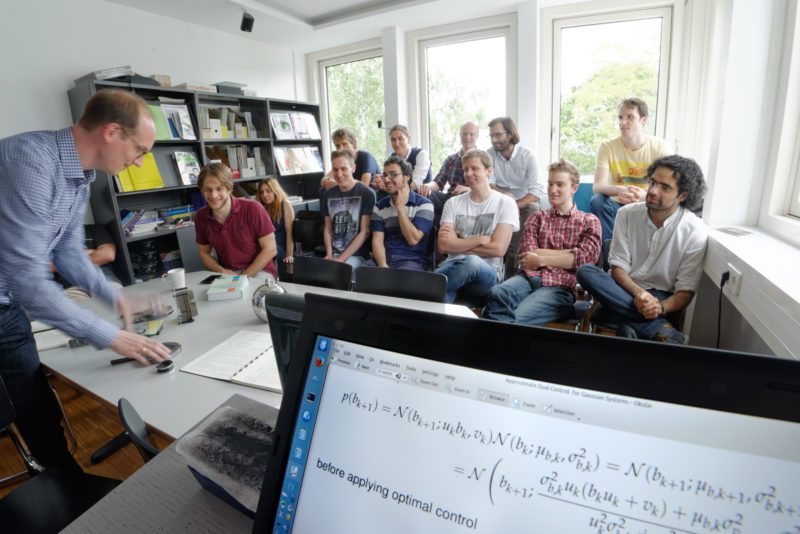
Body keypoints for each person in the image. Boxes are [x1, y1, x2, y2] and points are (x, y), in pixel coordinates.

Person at [0, 88, 171, 473]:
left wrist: (116, 298)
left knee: (38, 412)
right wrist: (110, 335)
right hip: (11, 291)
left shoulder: (80, 175)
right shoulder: (30, 163)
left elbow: (68, 253)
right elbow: (27, 277)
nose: (141, 162)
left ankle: (67, 490)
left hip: (6, 307)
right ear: (112, 132)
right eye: (141, 150)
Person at [577, 155, 708, 344]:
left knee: (628, 328)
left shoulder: (694, 230)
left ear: (682, 195)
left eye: (664, 187)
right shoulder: (626, 214)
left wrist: (659, 308)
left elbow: (685, 292)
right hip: (623, 288)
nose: (652, 191)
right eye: (652, 183)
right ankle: (663, 330)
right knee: (586, 272)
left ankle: (653, 329)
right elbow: (618, 269)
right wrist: (640, 294)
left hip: (662, 296)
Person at [482, 159, 601, 325]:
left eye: (560, 185)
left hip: (559, 288)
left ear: (574, 188)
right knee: (496, 294)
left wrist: (541, 258)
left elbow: (585, 260)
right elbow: (527, 254)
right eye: (550, 184)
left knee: (514, 318)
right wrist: (569, 255)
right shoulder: (537, 217)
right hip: (528, 279)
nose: (553, 190)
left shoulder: (589, 221)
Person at [435, 149, 518, 304]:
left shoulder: (505, 203)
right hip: (453, 268)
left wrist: (457, 245)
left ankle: (426, 285)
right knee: (441, 299)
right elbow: (443, 246)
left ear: (489, 171)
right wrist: (482, 239)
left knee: (472, 261)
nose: (468, 173)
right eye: (466, 169)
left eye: (475, 168)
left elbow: (498, 249)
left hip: (487, 275)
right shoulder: (453, 203)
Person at [591, 98, 673, 243]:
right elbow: (598, 187)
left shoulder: (660, 147)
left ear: (643, 120)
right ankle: (610, 251)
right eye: (620, 117)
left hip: (647, 203)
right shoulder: (606, 147)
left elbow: (667, 186)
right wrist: (620, 190)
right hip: (617, 204)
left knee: (665, 204)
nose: (623, 122)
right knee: (597, 201)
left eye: (630, 117)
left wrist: (644, 196)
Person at [195, 163, 277, 279]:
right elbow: (204, 253)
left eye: (219, 189)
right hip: (228, 273)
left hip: (259, 270)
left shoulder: (253, 208)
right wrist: (221, 271)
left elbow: (270, 249)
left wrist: (242, 279)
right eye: (208, 190)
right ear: (202, 191)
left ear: (229, 188)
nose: (213, 195)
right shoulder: (200, 216)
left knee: (250, 296)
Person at [486, 116, 543, 279]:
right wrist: (505, 196)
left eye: (497, 135)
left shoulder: (528, 156)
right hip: (499, 202)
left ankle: (512, 264)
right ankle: (489, 265)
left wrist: (515, 204)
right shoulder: (489, 155)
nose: (493, 140)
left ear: (510, 134)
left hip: (523, 204)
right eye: (491, 136)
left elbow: (536, 191)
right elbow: (488, 183)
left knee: (533, 209)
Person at [362, 156, 434, 271]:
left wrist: (400, 207)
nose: (386, 179)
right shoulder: (379, 206)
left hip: (412, 261)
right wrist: (383, 266)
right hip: (383, 259)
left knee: (398, 283)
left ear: (407, 177)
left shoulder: (425, 204)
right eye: (385, 175)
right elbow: (377, 241)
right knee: (357, 276)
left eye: (393, 174)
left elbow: (413, 239)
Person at [321, 149, 376, 268]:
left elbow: (365, 232)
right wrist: (329, 255)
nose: (339, 174)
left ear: (353, 168)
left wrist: (341, 259)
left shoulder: (367, 193)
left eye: (343, 169)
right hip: (334, 254)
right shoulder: (328, 194)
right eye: (335, 169)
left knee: (339, 273)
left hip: (357, 255)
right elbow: (328, 229)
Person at [419, 121, 478, 215]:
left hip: (470, 199)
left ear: (477, 136)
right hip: (449, 198)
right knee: (420, 194)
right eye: (464, 134)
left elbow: (488, 187)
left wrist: (468, 189)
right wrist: (427, 187)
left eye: (471, 134)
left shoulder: (483, 159)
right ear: (460, 135)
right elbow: (438, 182)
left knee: (463, 197)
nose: (467, 137)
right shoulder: (451, 159)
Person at [257, 178, 295, 265]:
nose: (264, 195)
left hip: (279, 247)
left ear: (275, 190)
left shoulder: (285, 204)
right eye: (262, 192)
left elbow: (290, 232)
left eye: (268, 191)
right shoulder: (261, 208)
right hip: (264, 246)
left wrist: (289, 255)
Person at [389, 124, 432, 189]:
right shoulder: (391, 157)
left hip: (420, 195)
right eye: (393, 140)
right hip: (398, 192)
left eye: (400, 138)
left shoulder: (421, 154)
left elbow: (416, 183)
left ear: (408, 139)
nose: (396, 143)